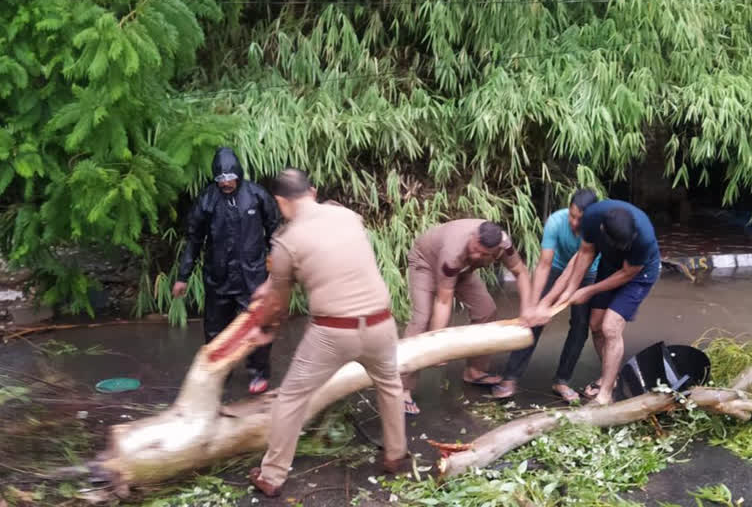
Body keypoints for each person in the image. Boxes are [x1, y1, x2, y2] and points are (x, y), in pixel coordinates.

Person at [247, 169, 407, 498]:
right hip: (381, 324)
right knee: (390, 385)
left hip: (334, 333)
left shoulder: (285, 241)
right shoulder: (348, 216)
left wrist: (266, 332)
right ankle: (394, 454)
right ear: (313, 191)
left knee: (291, 398)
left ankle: (272, 475)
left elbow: (279, 304)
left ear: (280, 201)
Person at [173, 147, 281, 394]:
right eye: (221, 179)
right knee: (215, 328)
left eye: (230, 178)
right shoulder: (207, 200)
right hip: (218, 276)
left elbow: (275, 230)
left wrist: (275, 263)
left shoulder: (256, 195)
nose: (226, 183)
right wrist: (183, 276)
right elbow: (194, 240)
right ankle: (219, 372)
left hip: (252, 275)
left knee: (258, 324)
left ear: (238, 174)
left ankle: (259, 372)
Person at [531, 199, 660, 405]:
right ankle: (612, 376)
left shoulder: (643, 236)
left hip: (638, 275)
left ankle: (605, 393)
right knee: (596, 325)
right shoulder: (592, 217)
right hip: (610, 267)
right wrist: (571, 290)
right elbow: (585, 253)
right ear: (602, 230)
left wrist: (589, 290)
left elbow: (627, 273)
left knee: (611, 326)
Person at [401, 219, 533, 415]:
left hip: (462, 270)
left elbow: (520, 272)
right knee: (422, 319)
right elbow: (444, 300)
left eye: (484, 254)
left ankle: (475, 371)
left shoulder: (503, 245)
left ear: (496, 250)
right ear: (474, 237)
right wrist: (439, 345)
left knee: (486, 310)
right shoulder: (453, 252)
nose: (477, 255)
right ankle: (402, 389)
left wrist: (527, 311)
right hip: (426, 262)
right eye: (475, 249)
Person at [492, 188, 600, 402]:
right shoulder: (556, 221)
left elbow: (578, 266)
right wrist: (533, 305)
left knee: (580, 327)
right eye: (572, 215)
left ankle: (562, 380)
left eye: (581, 218)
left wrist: (557, 301)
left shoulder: (597, 227)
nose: (575, 222)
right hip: (556, 268)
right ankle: (510, 377)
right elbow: (543, 265)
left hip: (589, 272)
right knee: (533, 321)